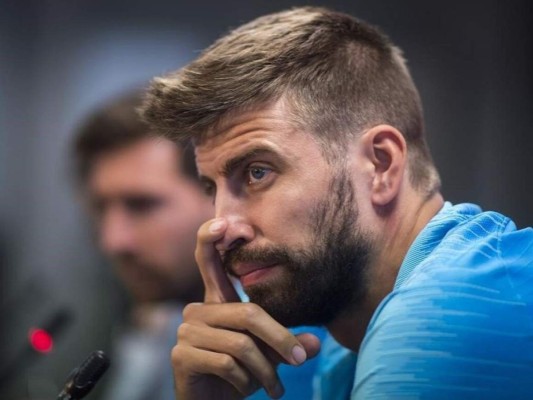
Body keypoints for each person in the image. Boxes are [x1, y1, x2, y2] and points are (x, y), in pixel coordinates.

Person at [140, 6, 533, 400]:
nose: (221, 227)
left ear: (380, 165)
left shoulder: (445, 315)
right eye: (212, 189)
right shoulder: (333, 338)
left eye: (257, 172)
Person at [72, 91, 324, 400]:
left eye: (141, 205)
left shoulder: (289, 338)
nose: (113, 241)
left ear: (214, 195)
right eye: (100, 209)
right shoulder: (162, 328)